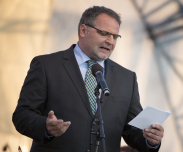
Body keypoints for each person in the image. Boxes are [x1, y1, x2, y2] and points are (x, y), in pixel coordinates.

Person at [12, 6, 164, 152]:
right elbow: (22, 115)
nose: (110, 41)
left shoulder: (127, 78)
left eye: (115, 36)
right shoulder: (47, 66)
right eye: (104, 33)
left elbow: (133, 131)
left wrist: (151, 140)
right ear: (83, 30)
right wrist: (45, 126)